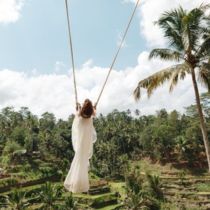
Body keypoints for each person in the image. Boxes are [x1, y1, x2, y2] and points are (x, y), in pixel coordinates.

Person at [64, 99, 97, 193]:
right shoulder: (91, 116)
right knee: (82, 160)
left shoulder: (79, 116)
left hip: (81, 141)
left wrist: (78, 108)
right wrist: (94, 107)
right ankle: (80, 183)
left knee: (79, 160)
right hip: (86, 142)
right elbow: (94, 112)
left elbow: (78, 114)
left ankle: (76, 182)